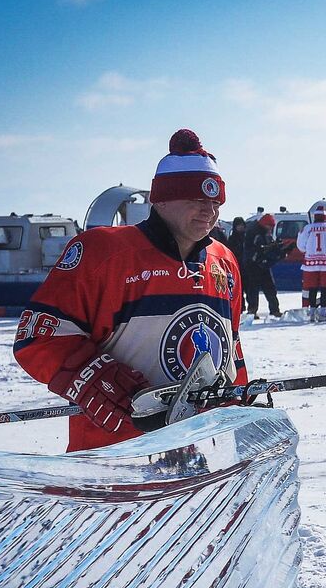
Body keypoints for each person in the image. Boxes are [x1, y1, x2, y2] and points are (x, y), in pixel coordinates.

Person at [13, 129, 247, 452]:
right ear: (161, 199)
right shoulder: (103, 253)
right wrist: (92, 376)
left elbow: (231, 347)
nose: (209, 210)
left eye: (215, 201)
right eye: (196, 199)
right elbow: (37, 337)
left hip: (202, 459)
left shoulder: (224, 262)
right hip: (115, 463)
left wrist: (240, 404)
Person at [296, 204, 326, 322]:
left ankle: (311, 312)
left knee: (311, 289)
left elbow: (301, 246)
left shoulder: (306, 229)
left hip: (310, 264)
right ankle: (324, 312)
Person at [242, 213, 282, 318]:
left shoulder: (264, 232)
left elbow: (266, 245)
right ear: (265, 224)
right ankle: (252, 311)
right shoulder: (253, 232)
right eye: (270, 226)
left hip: (263, 264)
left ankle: (274, 310)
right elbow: (249, 248)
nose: (271, 229)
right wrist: (257, 255)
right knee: (253, 289)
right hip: (253, 265)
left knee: (270, 288)